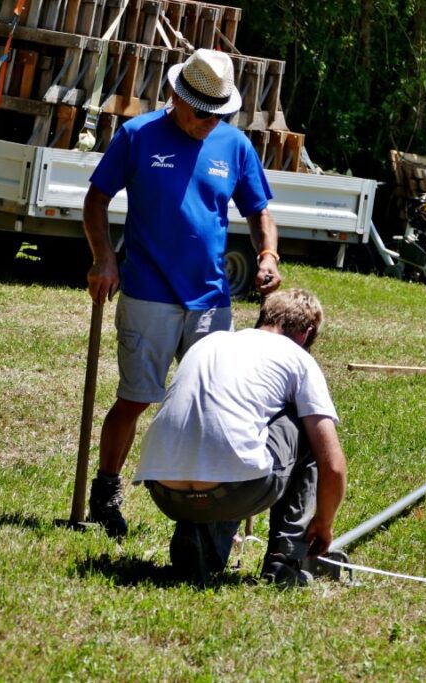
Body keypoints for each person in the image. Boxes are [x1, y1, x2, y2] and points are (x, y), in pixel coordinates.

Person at [82, 49, 282, 538]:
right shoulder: (138, 135)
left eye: (218, 115)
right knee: (134, 399)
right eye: (201, 113)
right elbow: (96, 199)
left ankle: (214, 508)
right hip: (148, 292)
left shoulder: (234, 145)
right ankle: (106, 493)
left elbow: (259, 211)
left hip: (211, 301)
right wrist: (104, 257)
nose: (208, 123)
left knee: (219, 403)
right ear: (176, 97)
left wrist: (268, 255)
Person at [133, 289, 347, 587]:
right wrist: (323, 523)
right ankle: (284, 562)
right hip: (236, 489)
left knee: (236, 432)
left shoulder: (208, 342)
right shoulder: (298, 358)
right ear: (306, 334)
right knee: (306, 429)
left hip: (164, 490)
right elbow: (332, 464)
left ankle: (198, 537)